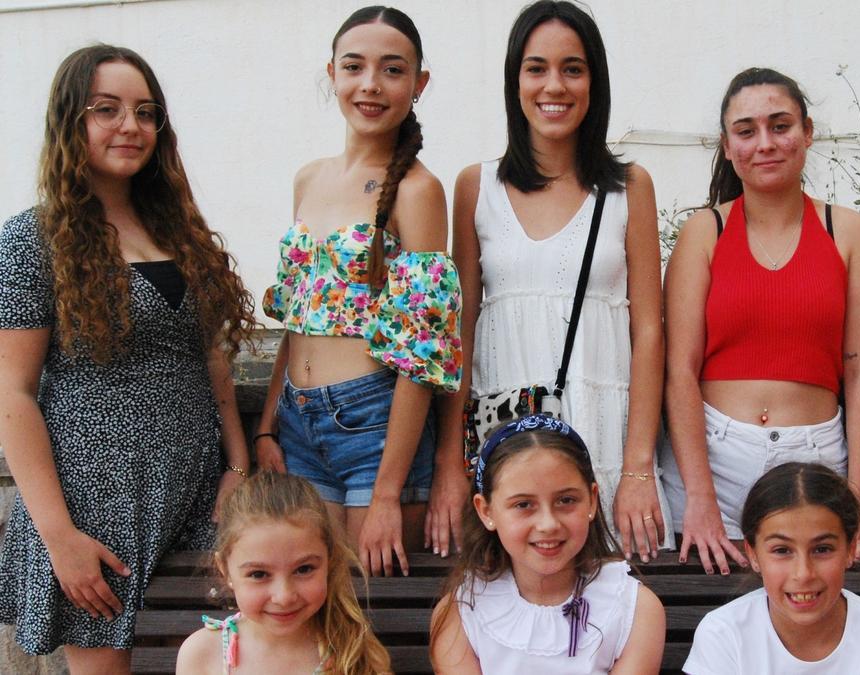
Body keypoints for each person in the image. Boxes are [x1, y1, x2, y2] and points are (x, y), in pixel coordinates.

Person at [0, 45, 256, 672]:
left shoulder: (179, 232)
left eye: (146, 112)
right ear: (70, 122)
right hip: (94, 498)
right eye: (106, 109)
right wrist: (60, 538)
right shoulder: (29, 241)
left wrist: (238, 466)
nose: (130, 126)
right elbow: (12, 393)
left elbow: (212, 361)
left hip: (200, 491)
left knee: (217, 662)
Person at [439, 0, 672, 562]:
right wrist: (448, 463)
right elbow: (457, 333)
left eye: (573, 68)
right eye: (536, 67)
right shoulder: (476, 187)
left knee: (609, 601)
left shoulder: (629, 186)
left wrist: (639, 466)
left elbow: (650, 332)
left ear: (595, 81)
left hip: (605, 428)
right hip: (506, 432)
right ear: (514, 80)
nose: (555, 85)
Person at [255, 5, 462, 578]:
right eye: (355, 67)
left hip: (375, 428)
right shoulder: (308, 178)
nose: (370, 84)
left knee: (374, 614)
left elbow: (421, 353)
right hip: (298, 426)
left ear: (418, 84)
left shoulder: (419, 191)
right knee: (312, 617)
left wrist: (390, 494)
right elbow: (296, 321)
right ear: (333, 74)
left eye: (392, 70)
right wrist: (269, 423)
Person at [661, 67, 860, 575]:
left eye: (780, 125)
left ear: (807, 132)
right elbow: (680, 369)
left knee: (810, 614)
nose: (765, 143)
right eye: (746, 130)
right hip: (716, 457)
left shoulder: (848, 231)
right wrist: (700, 495)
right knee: (708, 615)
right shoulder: (705, 231)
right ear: (727, 144)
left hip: (818, 457)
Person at [429, 414, 665, 673]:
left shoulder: (633, 608)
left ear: (592, 500)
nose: (548, 524)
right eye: (523, 505)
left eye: (565, 500)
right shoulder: (461, 613)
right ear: (486, 511)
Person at [683, 462, 860, 674]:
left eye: (822, 549)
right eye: (782, 551)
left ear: (851, 549)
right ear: (753, 554)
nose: (804, 573)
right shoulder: (724, 634)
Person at [176, 471, 391, 674]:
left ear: (329, 561)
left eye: (304, 569)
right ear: (225, 572)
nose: (284, 596)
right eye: (258, 574)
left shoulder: (353, 652)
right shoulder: (201, 654)